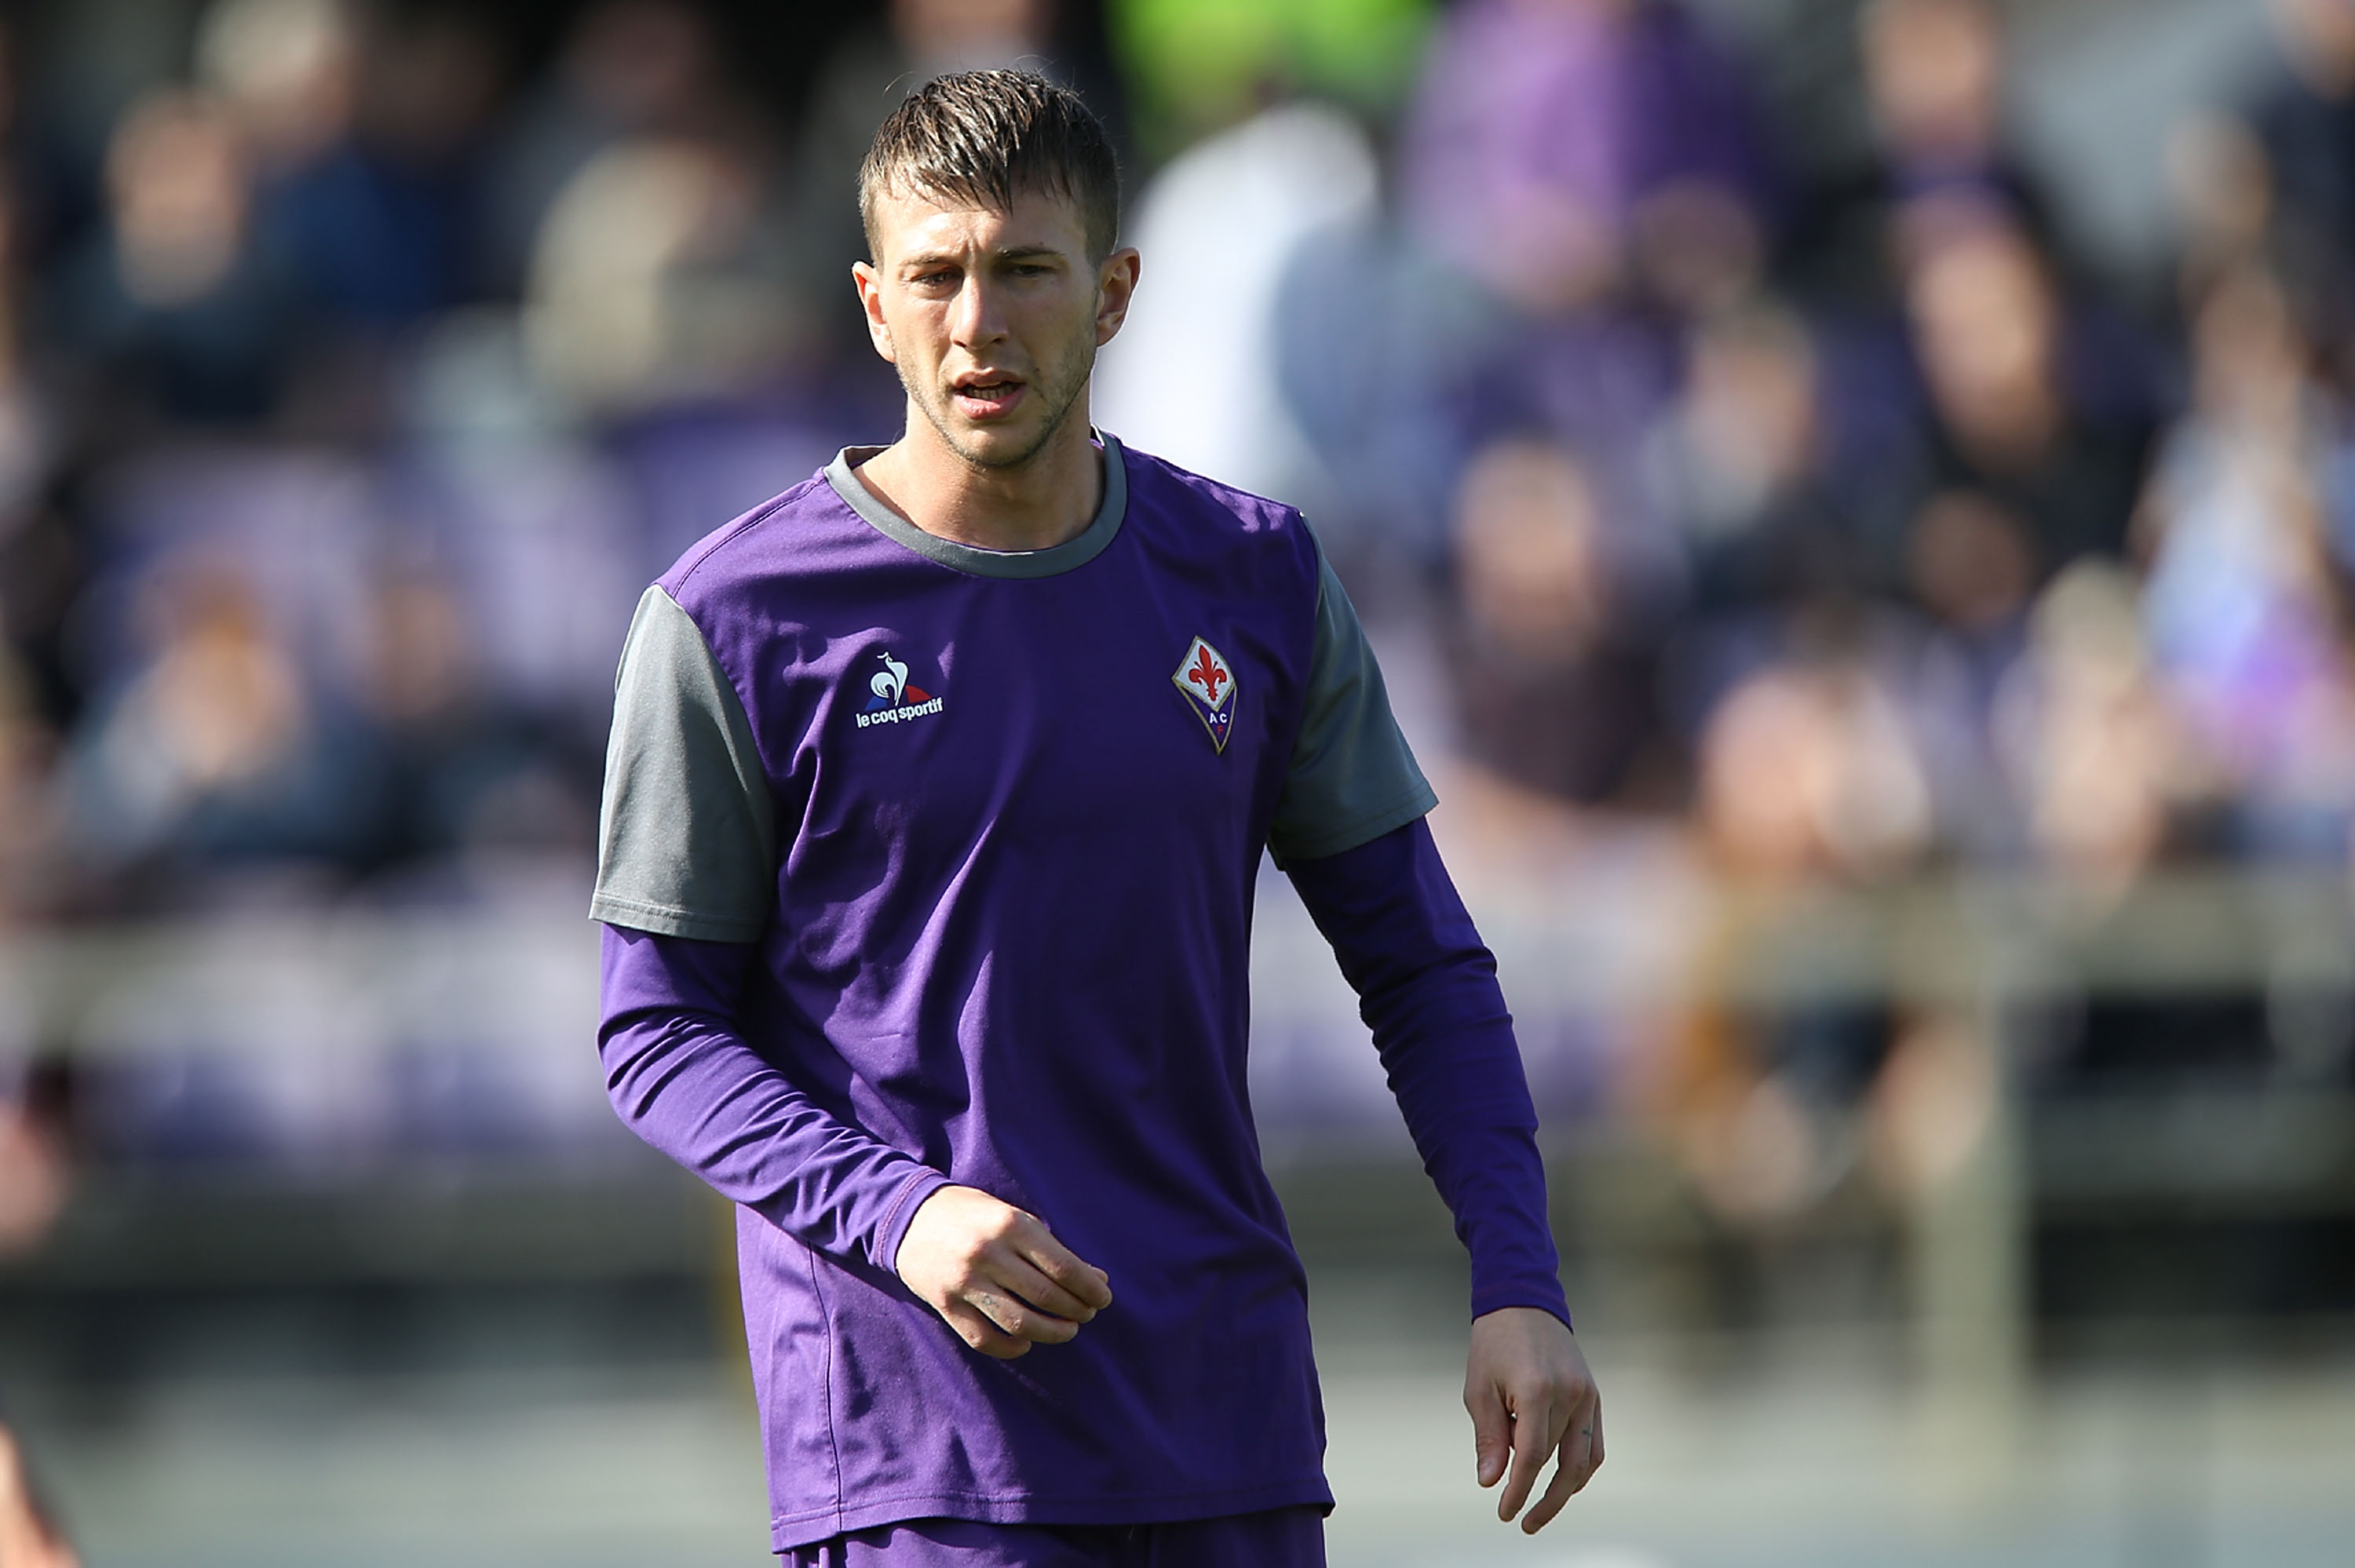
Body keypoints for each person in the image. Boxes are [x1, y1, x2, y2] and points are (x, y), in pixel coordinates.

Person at [590, 70, 1601, 1564]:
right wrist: (902, 1214)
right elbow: (653, 1030)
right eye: (934, 276)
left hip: (1228, 1430)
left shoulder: (1251, 579)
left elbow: (1422, 962)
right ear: (875, 305)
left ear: (1116, 291)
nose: (977, 323)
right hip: (927, 1461)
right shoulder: (733, 620)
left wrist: (1518, 1277)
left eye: (1025, 270)